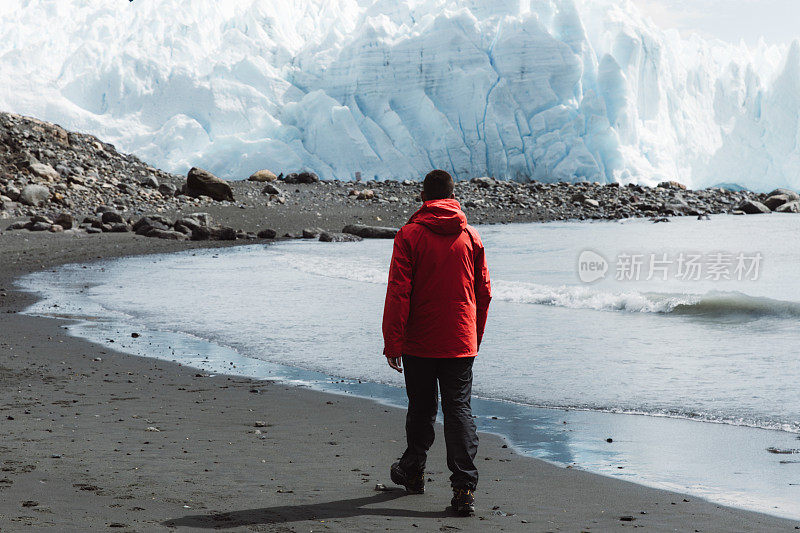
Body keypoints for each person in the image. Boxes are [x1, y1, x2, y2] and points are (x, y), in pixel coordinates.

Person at [382, 169, 492, 515]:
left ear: (423, 197)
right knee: (458, 408)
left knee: (422, 406)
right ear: (453, 194)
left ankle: (413, 470)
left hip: (419, 340)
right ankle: (463, 489)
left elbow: (399, 291)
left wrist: (393, 340)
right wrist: (474, 334)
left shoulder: (409, 235)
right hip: (459, 338)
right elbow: (484, 292)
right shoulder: (471, 237)